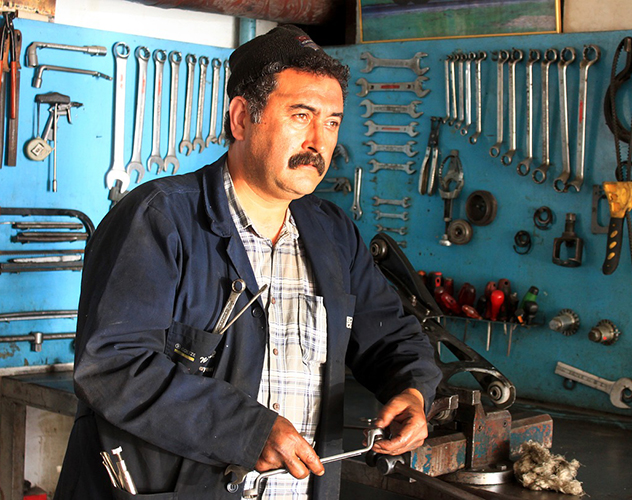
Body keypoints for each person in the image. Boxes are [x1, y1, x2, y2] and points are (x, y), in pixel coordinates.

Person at [54, 24, 441, 500]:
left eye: (333, 121)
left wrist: (413, 392)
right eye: (301, 115)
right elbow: (112, 366)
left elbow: (391, 335)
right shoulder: (158, 219)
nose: (320, 142)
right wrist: (247, 430)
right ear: (241, 118)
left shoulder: (331, 232)